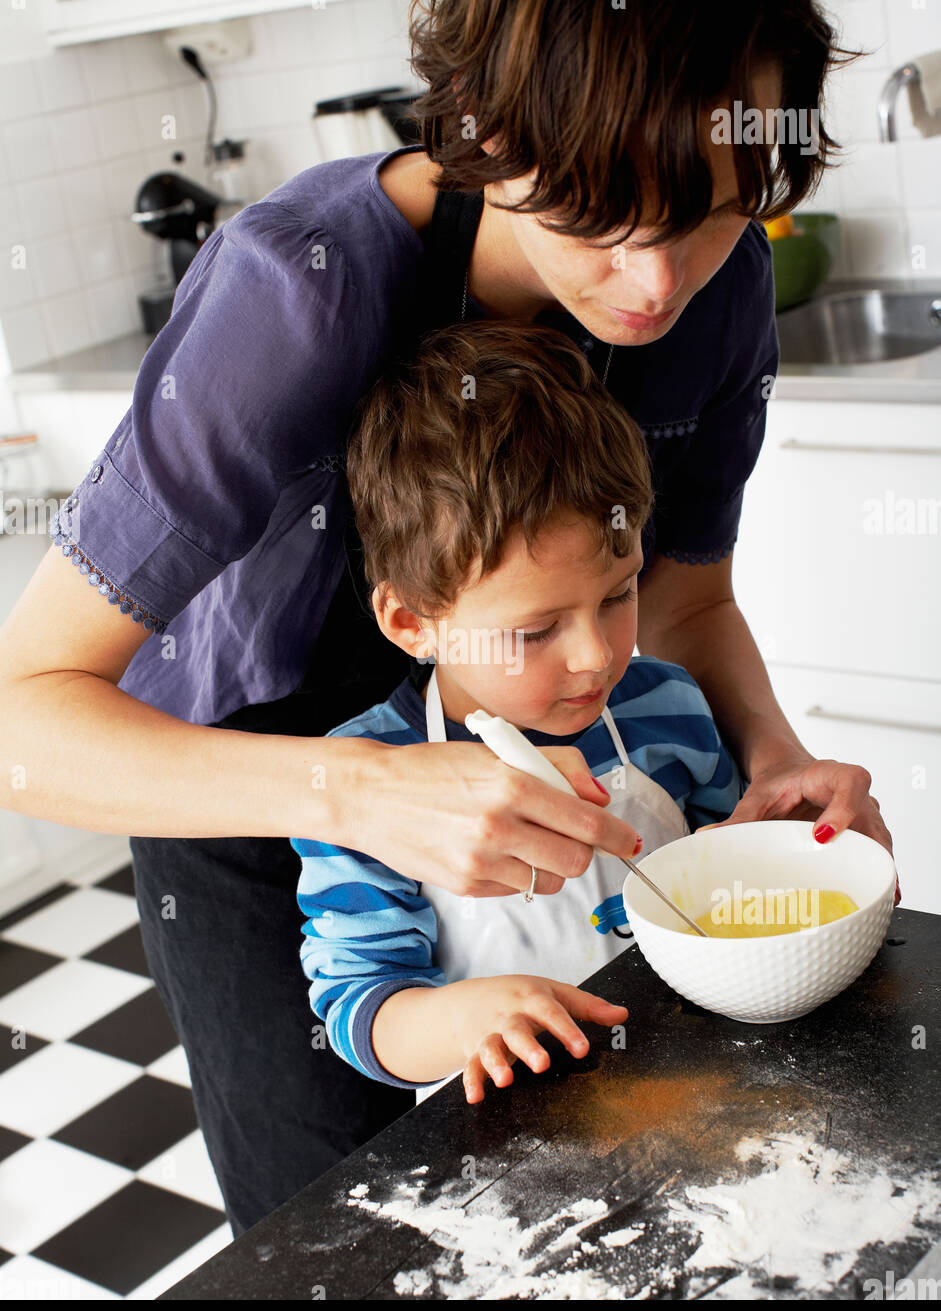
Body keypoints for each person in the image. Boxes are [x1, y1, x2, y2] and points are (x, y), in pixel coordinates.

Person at [0, 1, 894, 1237]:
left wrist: (774, 759)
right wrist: (363, 793)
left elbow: (686, 591)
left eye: (708, 210)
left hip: (484, 805)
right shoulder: (298, 288)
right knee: (351, 1232)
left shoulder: (719, 284)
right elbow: (21, 725)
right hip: (251, 794)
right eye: (600, 217)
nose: (656, 284)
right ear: (492, 137)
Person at [293, 317, 750, 1103]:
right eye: (535, 630)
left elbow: (732, 873)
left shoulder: (668, 707)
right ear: (411, 623)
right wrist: (463, 1018)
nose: (596, 657)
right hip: (513, 1138)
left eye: (617, 595)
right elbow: (356, 1006)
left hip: (700, 1081)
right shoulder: (372, 783)